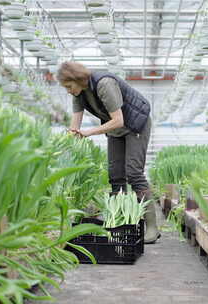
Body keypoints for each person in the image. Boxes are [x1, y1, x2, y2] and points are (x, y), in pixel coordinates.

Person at [57, 62, 160, 244]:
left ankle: (152, 228)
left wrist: (88, 133)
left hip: (135, 123)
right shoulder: (78, 93)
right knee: (115, 175)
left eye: (68, 86)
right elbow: (74, 127)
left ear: (78, 79)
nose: (68, 90)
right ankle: (120, 224)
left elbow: (118, 120)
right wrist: (65, 142)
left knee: (133, 173)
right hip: (115, 129)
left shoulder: (104, 83)